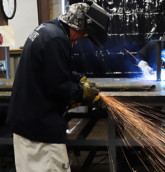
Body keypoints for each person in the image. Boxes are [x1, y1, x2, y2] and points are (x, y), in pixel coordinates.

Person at [6, 2, 109, 172]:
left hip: (29, 125)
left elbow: (53, 71)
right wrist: (83, 93)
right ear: (77, 24)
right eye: (83, 33)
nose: (81, 38)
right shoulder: (57, 39)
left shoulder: (47, 30)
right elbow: (58, 86)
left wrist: (77, 79)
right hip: (39, 132)